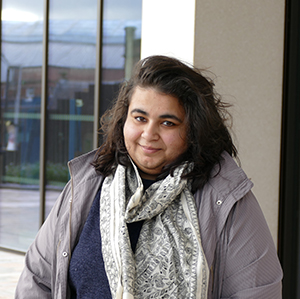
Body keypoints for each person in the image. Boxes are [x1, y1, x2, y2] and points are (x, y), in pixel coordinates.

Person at [15, 55, 283, 299]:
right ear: (124, 121)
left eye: (168, 123)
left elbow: (258, 292)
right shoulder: (88, 183)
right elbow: (37, 280)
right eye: (140, 118)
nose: (149, 134)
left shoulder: (226, 199)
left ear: (194, 130)